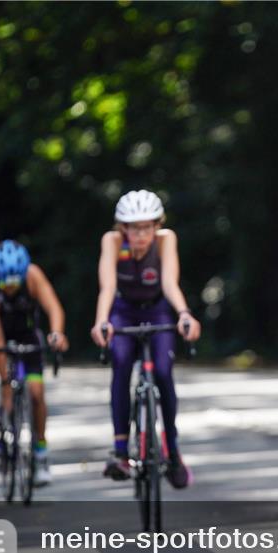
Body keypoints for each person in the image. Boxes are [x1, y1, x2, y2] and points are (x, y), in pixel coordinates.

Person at [90, 189, 202, 489]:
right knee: (122, 363)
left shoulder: (166, 239)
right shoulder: (112, 241)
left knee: (164, 374)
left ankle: (174, 451)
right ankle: (120, 450)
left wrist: (184, 314)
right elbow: (107, 286)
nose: (140, 234)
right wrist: (102, 321)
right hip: (123, 312)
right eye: (133, 227)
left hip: (158, 311)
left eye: (147, 226)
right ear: (122, 227)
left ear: (156, 224)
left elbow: (169, 283)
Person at [0, 240, 69, 486]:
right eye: (4, 283)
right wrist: (6, 381)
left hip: (27, 335)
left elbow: (54, 308)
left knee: (36, 394)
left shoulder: (33, 276)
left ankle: (40, 452)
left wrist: (57, 333)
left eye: (15, 282)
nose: (10, 288)